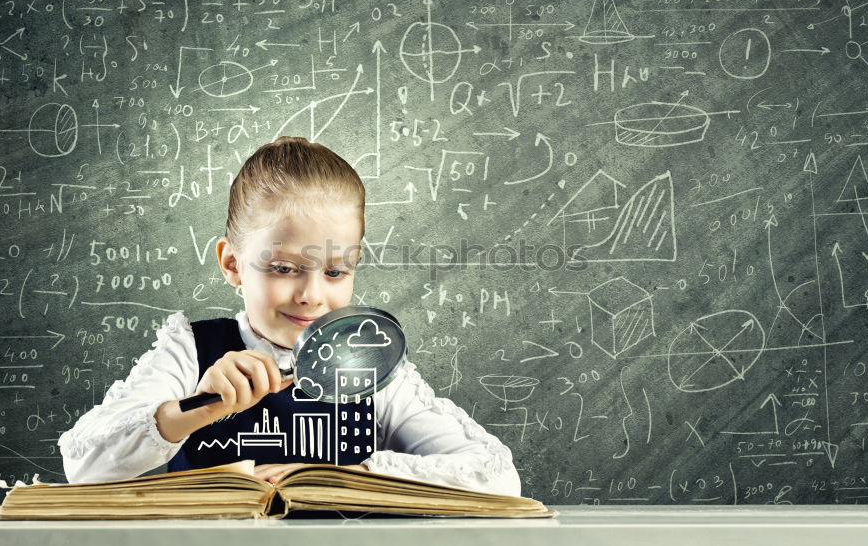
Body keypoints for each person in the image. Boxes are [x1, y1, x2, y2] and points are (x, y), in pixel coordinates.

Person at [58, 136, 521, 497]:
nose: (311, 295)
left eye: (336, 271)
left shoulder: (373, 367)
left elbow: (496, 479)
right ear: (232, 264)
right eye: (283, 268)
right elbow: (85, 466)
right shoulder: (190, 351)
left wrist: (343, 478)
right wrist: (197, 407)